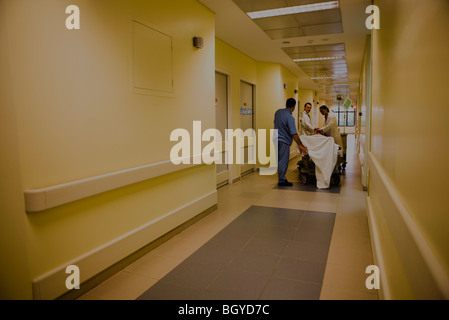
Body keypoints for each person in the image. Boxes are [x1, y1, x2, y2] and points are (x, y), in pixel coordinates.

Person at [274, 98, 308, 186]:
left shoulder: (278, 112)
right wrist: (300, 145)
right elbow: (294, 133)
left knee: (279, 160)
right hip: (284, 141)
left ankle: (281, 177)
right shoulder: (290, 117)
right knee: (283, 161)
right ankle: (282, 180)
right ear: (294, 106)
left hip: (276, 139)